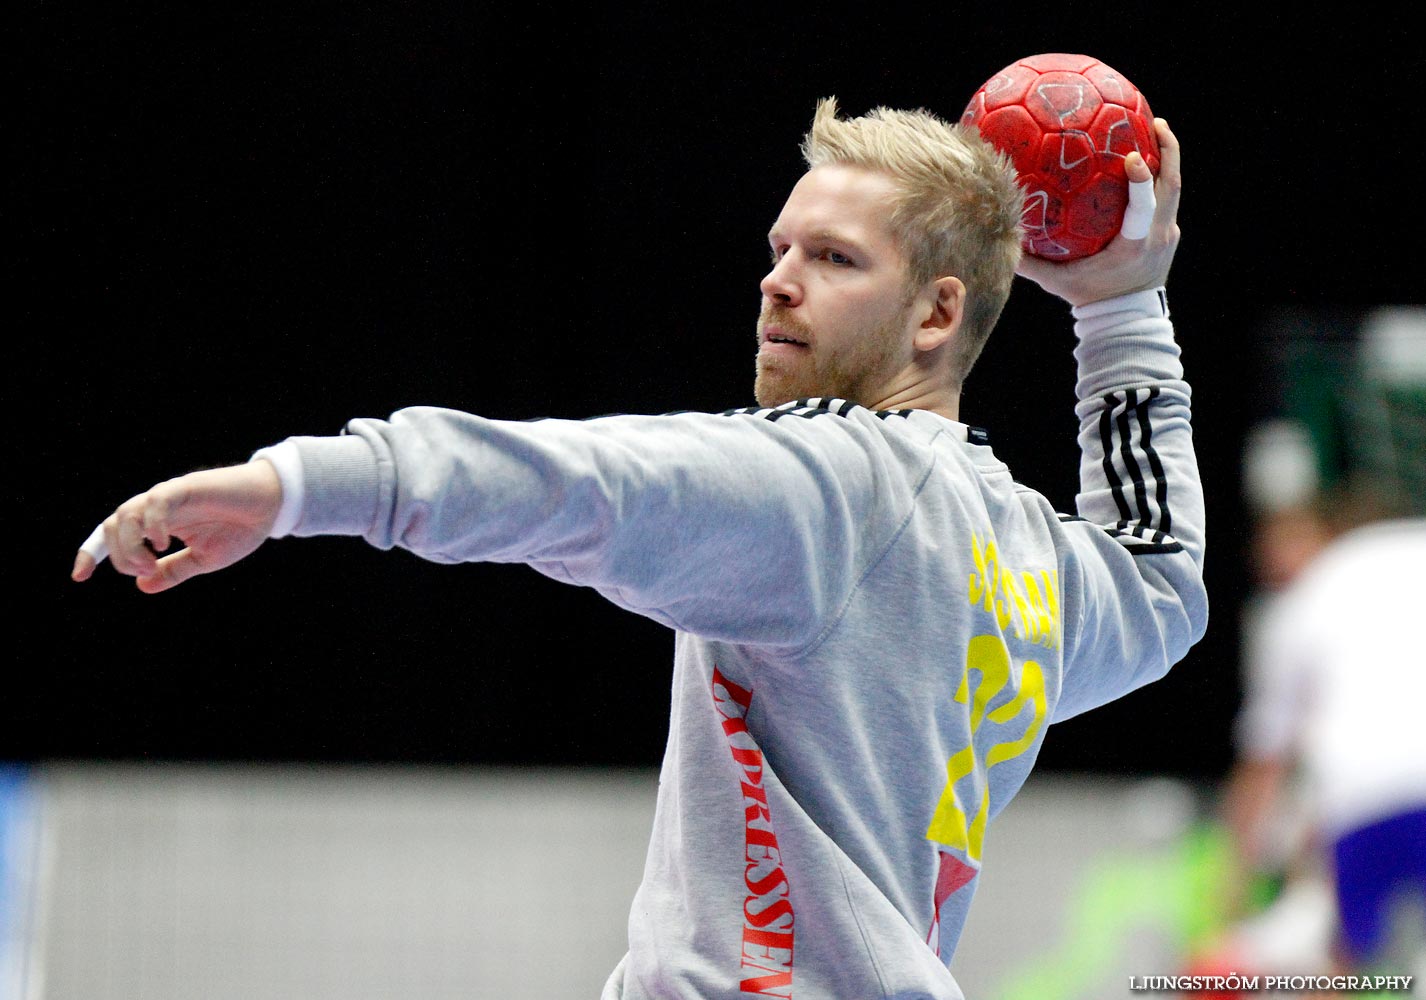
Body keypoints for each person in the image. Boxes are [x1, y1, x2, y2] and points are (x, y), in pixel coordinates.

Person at [73, 98, 1202, 999]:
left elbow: (583, 486)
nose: (776, 277)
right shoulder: (1026, 559)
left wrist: (293, 486)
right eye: (778, 246)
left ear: (936, 314)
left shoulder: (835, 481)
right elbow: (1161, 582)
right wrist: (1120, 310)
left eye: (833, 257)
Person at [1222, 494, 1426, 982]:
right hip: (1363, 794)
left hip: (1365, 802)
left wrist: (1229, 899)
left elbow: (1263, 764)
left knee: (1340, 969)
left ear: (1326, 533)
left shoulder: (1308, 596)